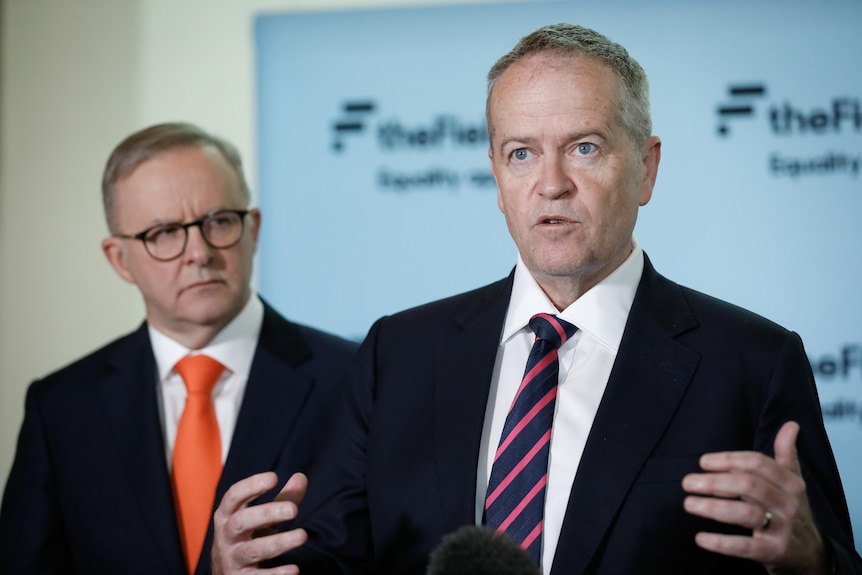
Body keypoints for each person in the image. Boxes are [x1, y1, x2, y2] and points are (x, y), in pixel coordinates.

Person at [211, 24, 862, 575]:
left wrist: (812, 558)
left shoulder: (750, 362)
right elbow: (331, 557)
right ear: (497, 176)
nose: (551, 184)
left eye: (585, 147)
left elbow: (824, 555)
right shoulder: (399, 354)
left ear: (646, 167)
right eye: (521, 153)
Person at [0, 122, 358, 575]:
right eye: (165, 232)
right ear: (119, 259)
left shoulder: (353, 378)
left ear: (254, 228)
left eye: (219, 221)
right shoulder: (62, 408)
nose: (199, 252)